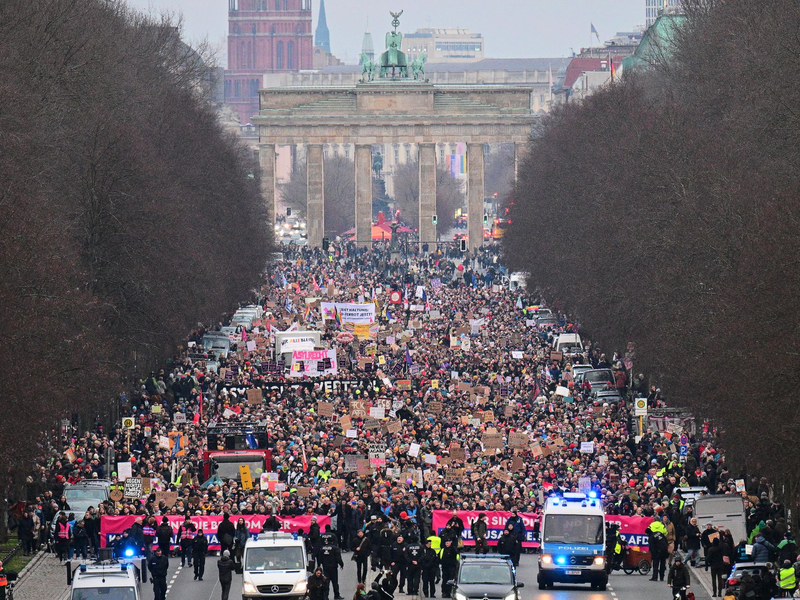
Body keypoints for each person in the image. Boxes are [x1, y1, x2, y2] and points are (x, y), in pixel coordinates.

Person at [318, 535, 344, 600]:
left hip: (325, 568)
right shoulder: (335, 548)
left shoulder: (322, 548)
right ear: (332, 541)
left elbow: (319, 558)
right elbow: (338, 558)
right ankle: (336, 595)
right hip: (333, 568)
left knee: (326, 582)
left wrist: (319, 565)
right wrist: (341, 565)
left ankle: (326, 596)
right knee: (335, 582)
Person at [647, 518, 669, 582]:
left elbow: (651, 546)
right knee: (662, 563)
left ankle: (655, 577)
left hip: (656, 549)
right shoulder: (662, 525)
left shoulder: (651, 525)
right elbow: (665, 532)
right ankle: (662, 577)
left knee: (655, 563)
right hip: (663, 547)